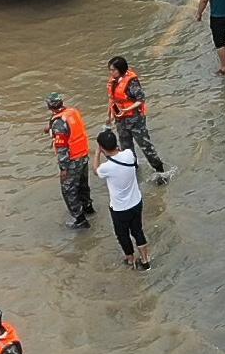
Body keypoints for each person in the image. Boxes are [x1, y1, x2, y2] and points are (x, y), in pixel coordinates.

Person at [107, 57, 169, 182]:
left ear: (120, 70)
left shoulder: (132, 82)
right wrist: (109, 116)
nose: (111, 72)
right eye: (110, 70)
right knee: (126, 147)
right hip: (121, 120)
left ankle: (160, 171)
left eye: (113, 70)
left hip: (135, 119)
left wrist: (127, 109)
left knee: (145, 145)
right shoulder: (113, 82)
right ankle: (132, 168)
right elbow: (112, 100)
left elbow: (141, 100)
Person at [95, 129, 150, 270]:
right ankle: (145, 260)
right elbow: (121, 152)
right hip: (136, 202)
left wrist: (97, 153)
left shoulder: (106, 168)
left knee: (122, 234)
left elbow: (96, 171)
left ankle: (130, 259)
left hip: (120, 209)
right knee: (138, 231)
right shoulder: (129, 155)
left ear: (102, 147)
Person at [45, 93, 94, 228]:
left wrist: (64, 169)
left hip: (71, 160)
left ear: (49, 106)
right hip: (83, 155)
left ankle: (80, 219)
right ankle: (88, 207)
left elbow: (62, 148)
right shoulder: (72, 112)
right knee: (83, 185)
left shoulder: (59, 123)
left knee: (68, 189)